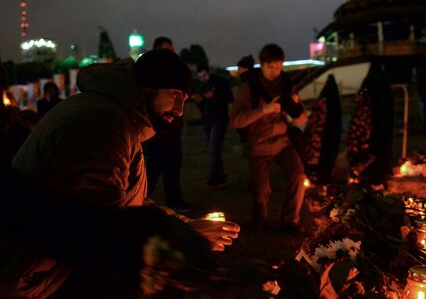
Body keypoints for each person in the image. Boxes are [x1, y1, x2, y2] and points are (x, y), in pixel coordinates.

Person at [12, 48, 239, 251]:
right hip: (31, 273)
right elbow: (100, 229)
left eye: (185, 98)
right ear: (148, 88)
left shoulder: (122, 120)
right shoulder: (102, 124)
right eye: (175, 94)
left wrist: (185, 225)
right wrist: (180, 237)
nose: (180, 110)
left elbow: (134, 202)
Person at [0, 165, 215, 299]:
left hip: (62, 245)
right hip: (41, 278)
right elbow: (78, 236)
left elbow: (78, 227)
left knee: (168, 293)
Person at [230, 43, 307, 232]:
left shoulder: (287, 85)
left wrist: (295, 108)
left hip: (282, 142)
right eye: (271, 67)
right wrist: (263, 110)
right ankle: (260, 221)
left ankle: (290, 221)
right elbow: (235, 121)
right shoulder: (249, 88)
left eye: (279, 66)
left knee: (298, 175)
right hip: (258, 144)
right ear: (262, 65)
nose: (276, 71)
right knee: (261, 190)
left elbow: (302, 119)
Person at [143, 37, 191, 212]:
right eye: (174, 94)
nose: (179, 110)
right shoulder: (117, 130)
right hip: (158, 134)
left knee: (172, 164)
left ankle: (174, 200)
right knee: (156, 166)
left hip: (171, 131)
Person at [195, 64, 234, 188]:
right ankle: (220, 178)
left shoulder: (221, 82)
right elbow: (203, 108)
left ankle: (215, 179)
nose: (203, 79)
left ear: (209, 72)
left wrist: (215, 96)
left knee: (214, 149)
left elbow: (230, 98)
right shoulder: (202, 86)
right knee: (214, 150)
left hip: (219, 119)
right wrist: (199, 102)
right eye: (200, 77)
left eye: (204, 76)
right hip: (207, 121)